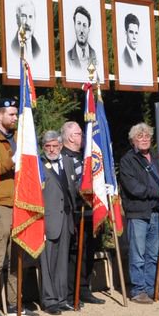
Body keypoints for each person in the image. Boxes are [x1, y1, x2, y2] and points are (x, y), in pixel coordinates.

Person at [0, 100, 35, 316]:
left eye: (16, 114)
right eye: (11, 114)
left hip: (19, 201)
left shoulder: (16, 137)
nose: (15, 118)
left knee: (17, 256)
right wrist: (17, 157)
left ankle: (15, 303)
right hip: (1, 202)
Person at [119, 123, 159, 304]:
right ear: (133, 141)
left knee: (152, 255)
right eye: (140, 137)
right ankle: (138, 290)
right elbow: (133, 188)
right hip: (138, 212)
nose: (144, 139)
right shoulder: (127, 160)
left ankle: (151, 288)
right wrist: (156, 192)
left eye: (147, 136)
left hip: (155, 211)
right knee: (138, 255)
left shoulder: (154, 157)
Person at [60, 121, 103, 306]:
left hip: (91, 212)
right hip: (74, 213)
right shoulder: (63, 157)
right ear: (70, 137)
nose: (83, 137)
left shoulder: (87, 157)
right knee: (74, 253)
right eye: (79, 134)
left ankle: (85, 288)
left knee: (88, 251)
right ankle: (71, 292)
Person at [39, 131, 79, 315]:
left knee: (63, 260)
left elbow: (73, 189)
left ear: (61, 146)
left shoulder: (68, 162)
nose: (52, 149)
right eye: (48, 146)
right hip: (48, 219)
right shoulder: (39, 164)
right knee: (48, 262)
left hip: (66, 219)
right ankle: (49, 300)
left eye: (55, 145)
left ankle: (62, 298)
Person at [66, 6, 100, 77]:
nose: (81, 30)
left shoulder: (95, 55)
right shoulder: (68, 56)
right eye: (79, 24)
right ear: (74, 26)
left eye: (84, 25)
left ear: (88, 29)